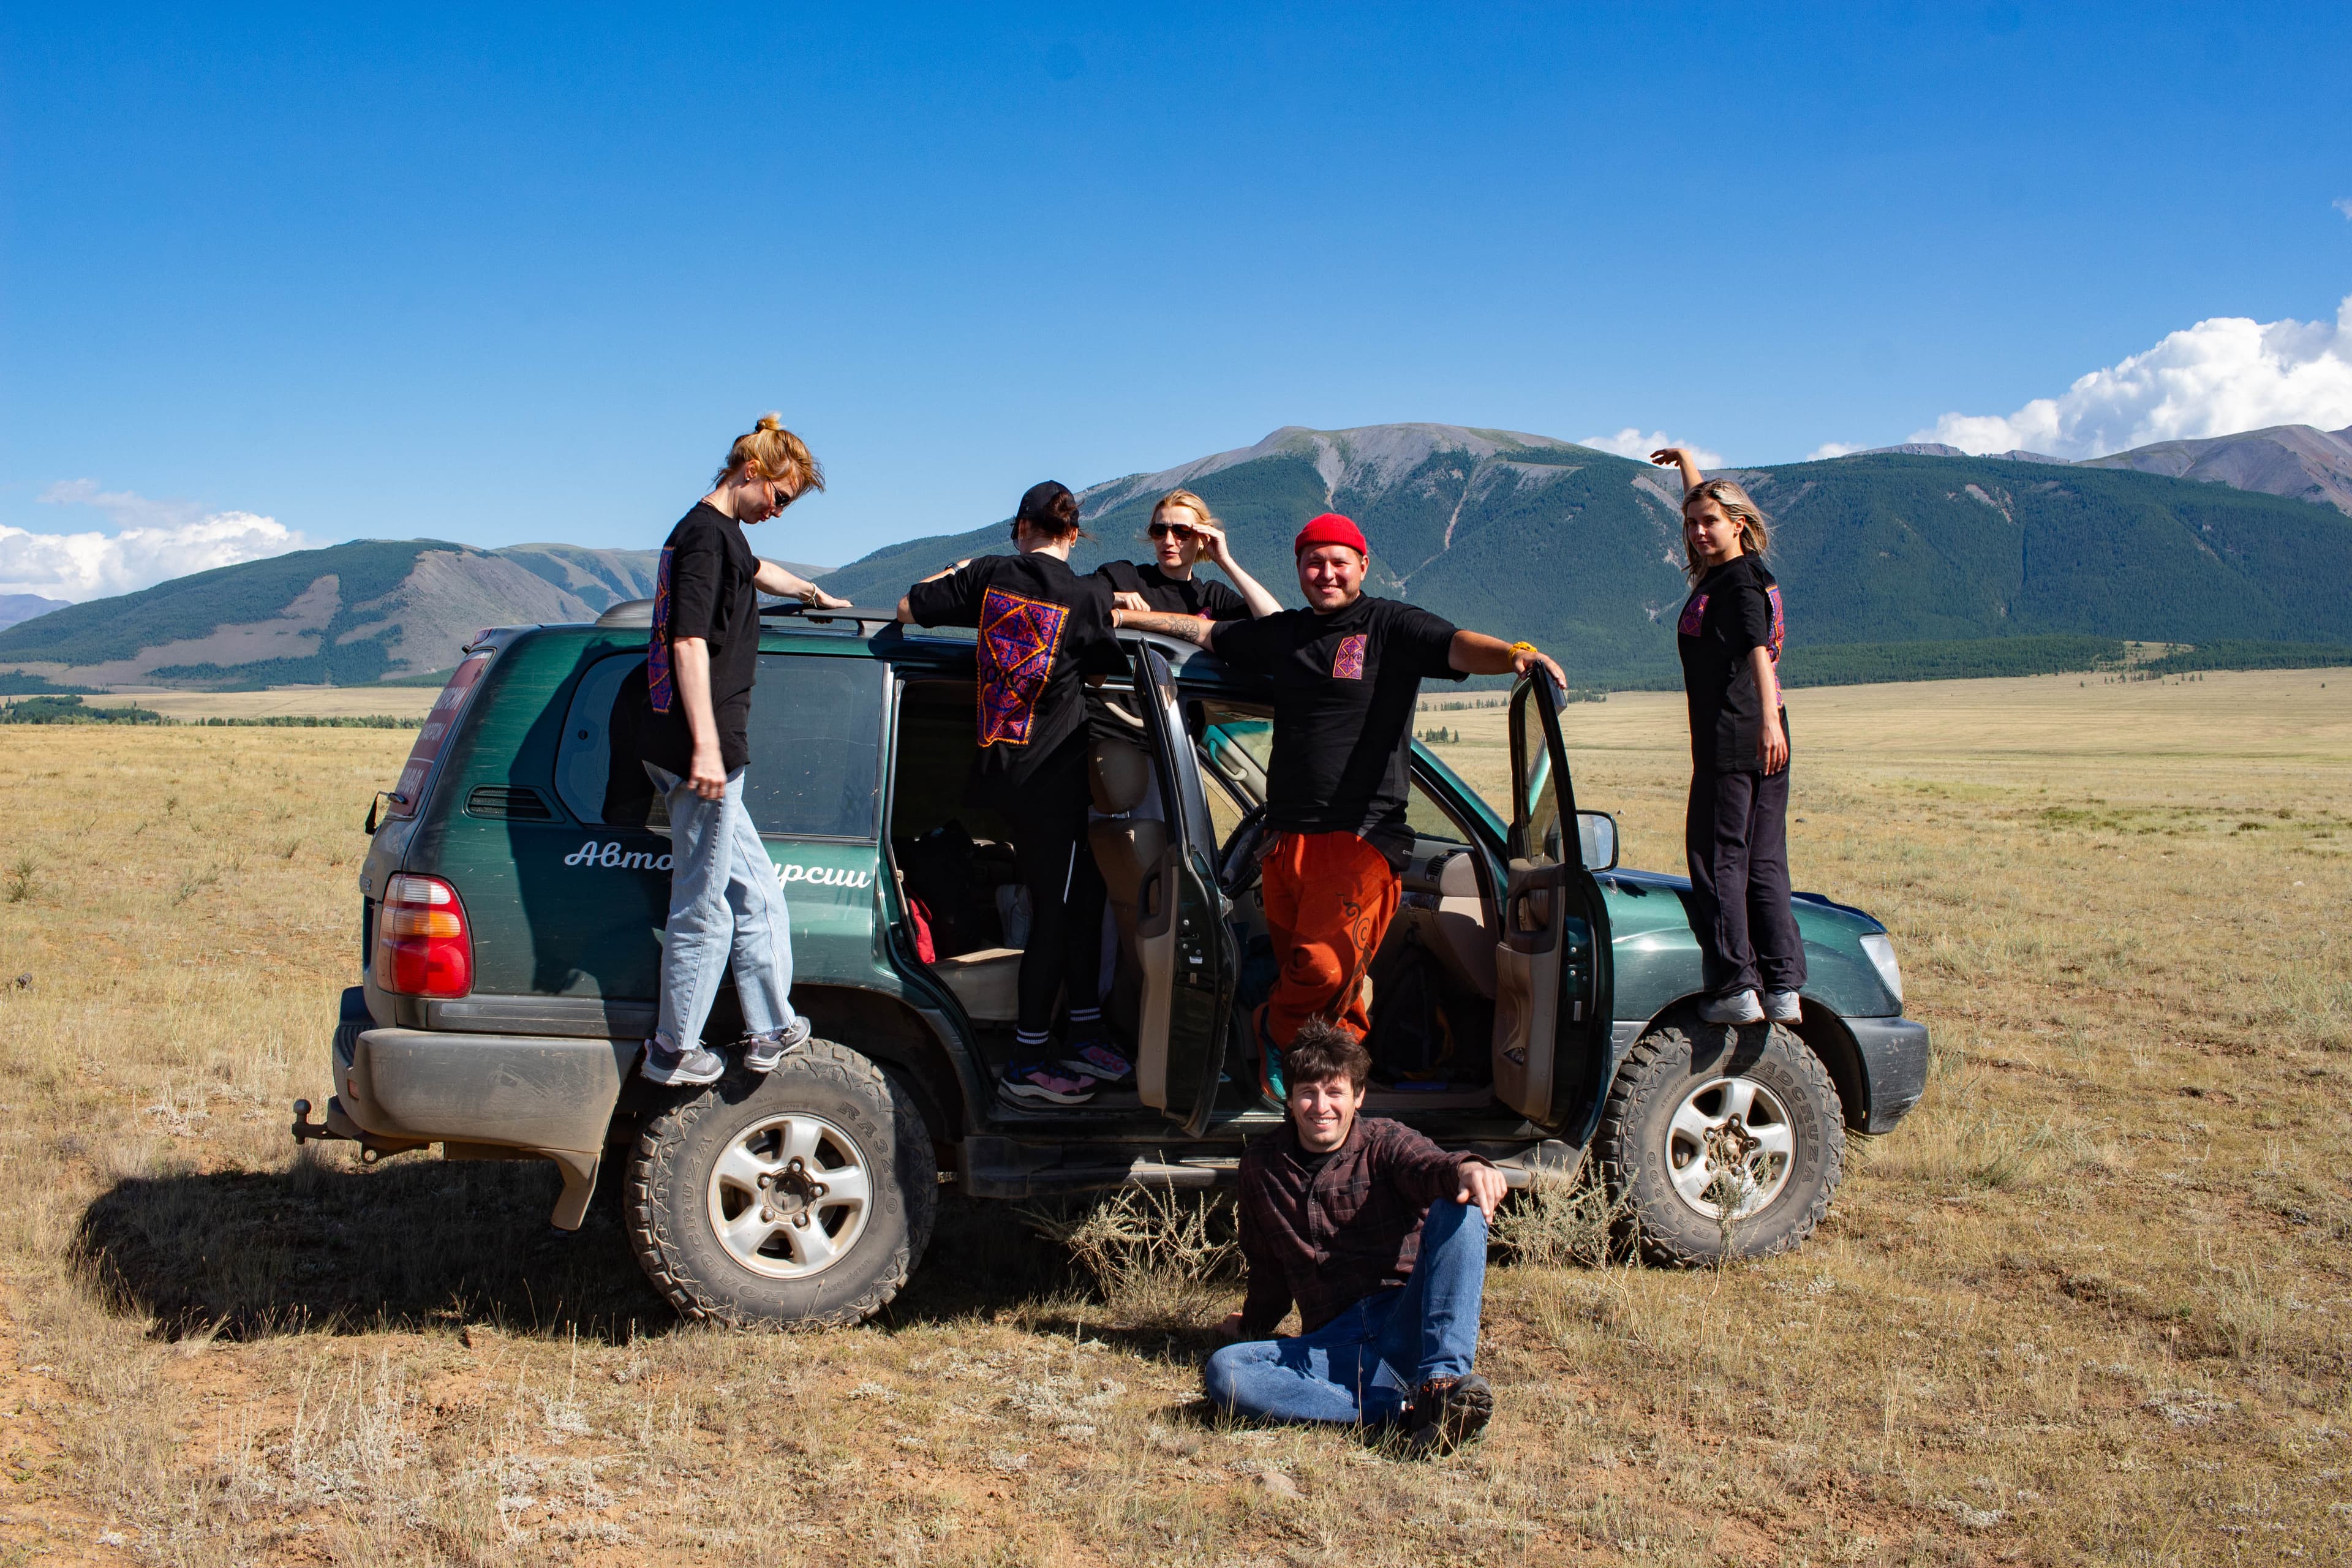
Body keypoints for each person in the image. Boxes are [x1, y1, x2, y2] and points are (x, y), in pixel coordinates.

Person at [1115, 513, 1565, 1092]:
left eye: (1338, 562)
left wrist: (1513, 655)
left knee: (1322, 967)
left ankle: (1274, 1031)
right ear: (1299, 568)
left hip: (1361, 837)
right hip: (1284, 842)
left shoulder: (1388, 625)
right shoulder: (1288, 632)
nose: (1326, 573)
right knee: (1330, 983)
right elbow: (1205, 634)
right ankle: (1333, 1096)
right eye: (1313, 562)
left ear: (1362, 566)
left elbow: (1455, 646)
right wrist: (1129, 618)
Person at [637, 415, 852, 1085]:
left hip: (707, 746)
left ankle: (769, 1027)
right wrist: (705, 746)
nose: (779, 513)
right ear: (752, 472)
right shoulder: (706, 538)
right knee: (704, 906)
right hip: (702, 747)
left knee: (758, 892)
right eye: (781, 498)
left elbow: (757, 571)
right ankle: (674, 1048)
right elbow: (690, 642)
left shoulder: (718, 535)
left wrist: (811, 591)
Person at [899, 481, 1129, 1106]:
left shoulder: (993, 575)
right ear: (1074, 535)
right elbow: (1104, 670)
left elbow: (907, 607)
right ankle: (1027, 1059)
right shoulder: (1087, 596)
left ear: (1019, 527)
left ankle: (1082, 1029)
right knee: (1058, 912)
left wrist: (962, 569)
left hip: (1004, 771)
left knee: (1081, 899)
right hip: (1055, 775)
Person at [1203, 1020, 1510, 1453]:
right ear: (1288, 1098)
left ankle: (1439, 1384)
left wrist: (1468, 1167)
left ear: (1358, 1097)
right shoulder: (1260, 1165)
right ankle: (1399, 1409)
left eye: (1335, 1092)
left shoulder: (1385, 1141)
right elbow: (1267, 1268)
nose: (1320, 1106)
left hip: (1403, 1319)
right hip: (1334, 1343)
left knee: (1460, 1204)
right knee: (1226, 1372)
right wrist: (1251, 1326)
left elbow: (1429, 1167)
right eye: (1308, 1092)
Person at [1649, 448, 1804, 1027]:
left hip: (1738, 734)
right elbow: (1707, 500)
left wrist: (1766, 717)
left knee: (1719, 860)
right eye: (1691, 523)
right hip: (1766, 734)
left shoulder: (1737, 586)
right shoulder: (1747, 568)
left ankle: (1737, 984)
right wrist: (1688, 464)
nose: (1696, 532)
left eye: (1708, 523)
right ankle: (1783, 986)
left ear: (1738, 524)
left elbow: (1756, 651)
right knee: (1764, 858)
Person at [1095, 488, 1283, 621]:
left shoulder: (1212, 597)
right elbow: (1071, 597)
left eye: (1182, 532)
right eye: (1160, 531)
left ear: (1202, 538)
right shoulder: (1123, 577)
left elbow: (1275, 622)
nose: (1168, 541)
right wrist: (1114, 598)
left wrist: (1226, 561)